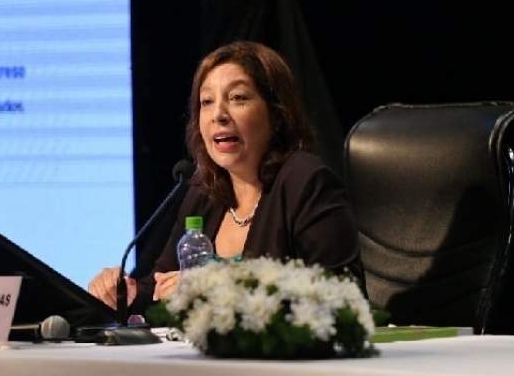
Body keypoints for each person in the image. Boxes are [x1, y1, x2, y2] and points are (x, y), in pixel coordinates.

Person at [88, 40, 364, 314]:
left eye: (238, 98)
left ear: (277, 113)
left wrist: (218, 292)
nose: (218, 115)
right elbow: (163, 285)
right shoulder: (203, 192)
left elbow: (341, 295)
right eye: (207, 102)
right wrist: (126, 293)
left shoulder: (305, 181)